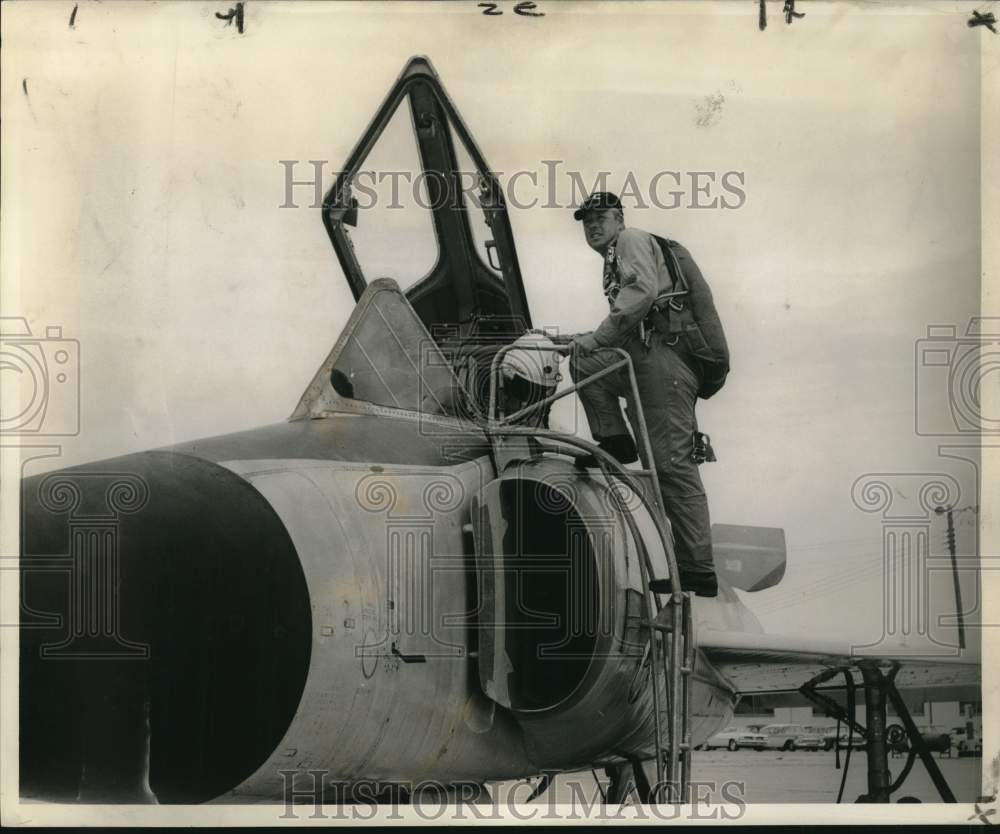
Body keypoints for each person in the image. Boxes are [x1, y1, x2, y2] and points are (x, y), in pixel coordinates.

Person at [566, 192, 728, 598]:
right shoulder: (615, 255)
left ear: (619, 219)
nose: (593, 226)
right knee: (586, 366)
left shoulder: (631, 240)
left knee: (670, 463)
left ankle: (697, 567)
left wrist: (598, 336)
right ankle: (616, 441)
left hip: (666, 360)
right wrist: (591, 343)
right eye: (587, 221)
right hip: (643, 356)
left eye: (601, 218)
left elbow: (639, 295)